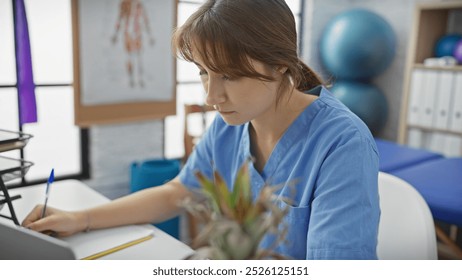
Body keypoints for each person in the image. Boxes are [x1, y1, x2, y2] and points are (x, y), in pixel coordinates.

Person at [23, 0, 380, 260]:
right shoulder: (231, 124)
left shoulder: (343, 144)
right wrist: (81, 218)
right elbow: (179, 191)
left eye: (230, 75)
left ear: (280, 66)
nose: (211, 96)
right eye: (203, 73)